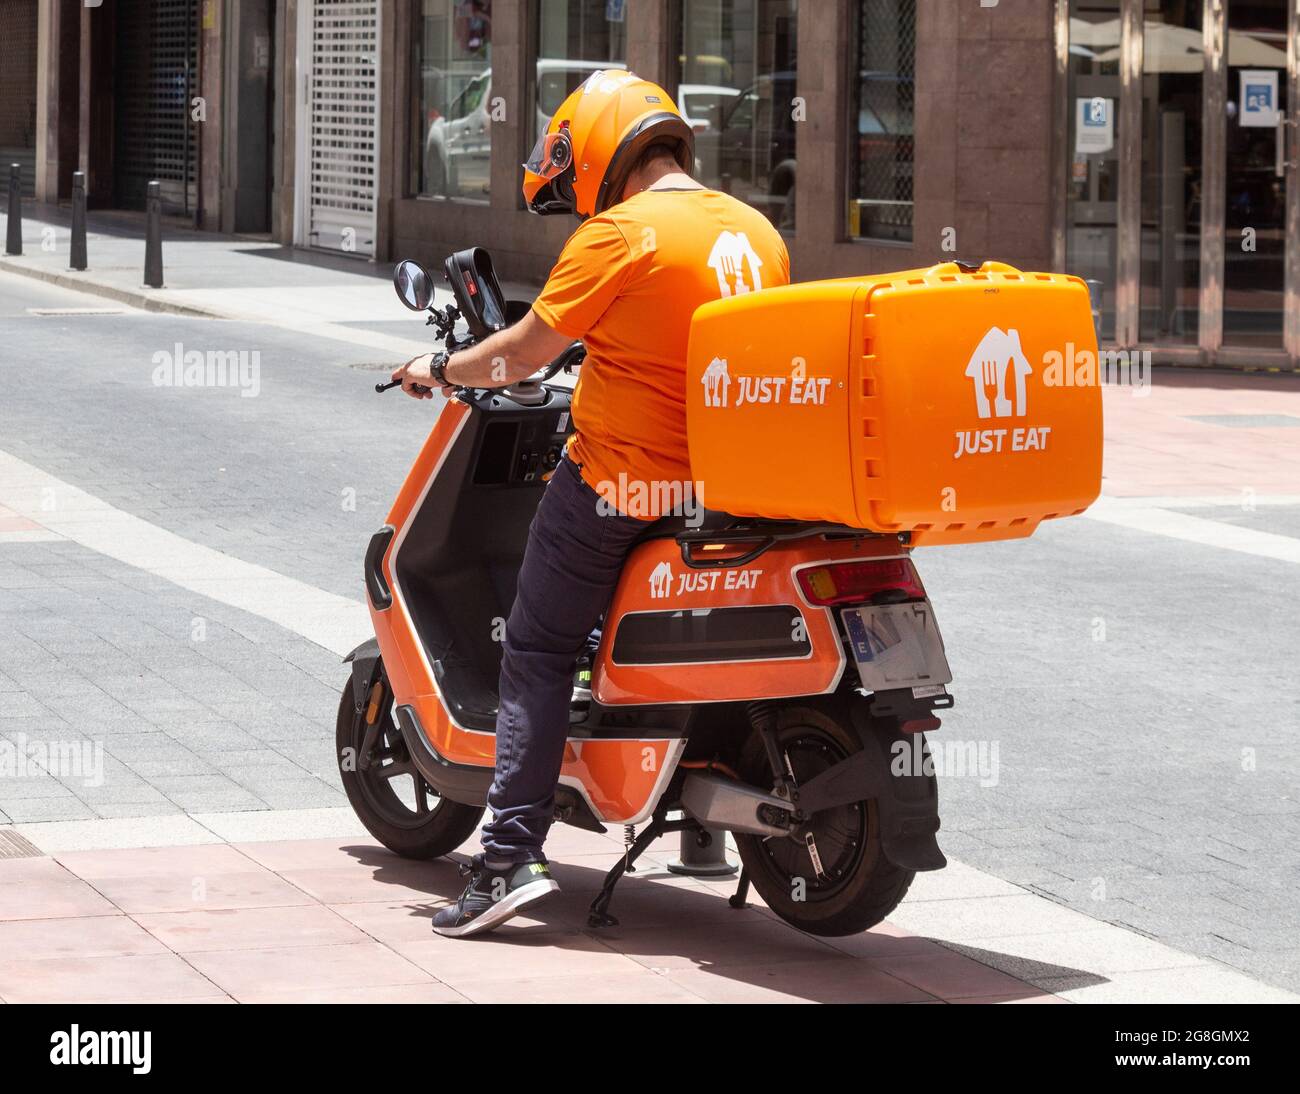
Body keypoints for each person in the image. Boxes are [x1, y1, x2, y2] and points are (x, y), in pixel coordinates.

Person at [390, 70, 789, 937]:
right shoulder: (757, 232)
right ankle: (699, 833)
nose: (578, 206)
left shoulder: (621, 234)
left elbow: (526, 356)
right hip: (725, 491)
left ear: (605, 150)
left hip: (621, 485)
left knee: (535, 646)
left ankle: (505, 859)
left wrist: (441, 369)